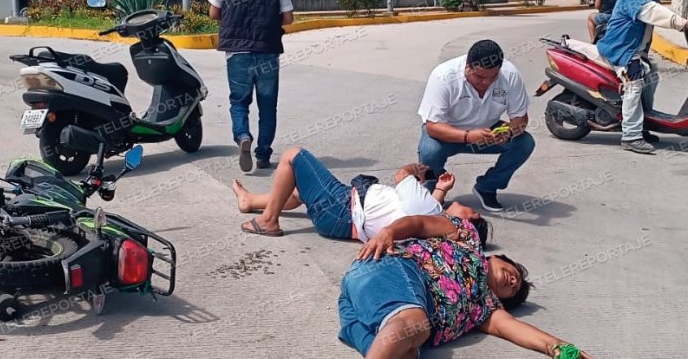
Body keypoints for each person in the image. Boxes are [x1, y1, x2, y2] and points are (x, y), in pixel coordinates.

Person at [338, 212, 595, 359]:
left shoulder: (485, 310)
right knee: (415, 324)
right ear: (495, 258)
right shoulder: (467, 238)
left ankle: (365, 329)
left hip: (359, 302)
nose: (513, 281)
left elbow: (516, 329)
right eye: (513, 272)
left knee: (408, 353)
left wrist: (558, 348)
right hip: (395, 269)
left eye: (513, 289)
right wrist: (389, 232)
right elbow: (420, 223)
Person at [231, 147, 483, 240]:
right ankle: (251, 201)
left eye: (472, 212)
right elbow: (426, 218)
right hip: (343, 218)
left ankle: (268, 221)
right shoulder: (434, 223)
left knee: (293, 157)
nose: (466, 206)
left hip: (343, 208)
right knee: (299, 189)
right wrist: (439, 189)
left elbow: (400, 175)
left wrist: (416, 169)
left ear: (468, 221)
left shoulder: (430, 212)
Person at [208, 0, 294, 172]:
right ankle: (263, 155)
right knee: (267, 106)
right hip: (267, 51)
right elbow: (288, 18)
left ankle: (243, 135)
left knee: (239, 101)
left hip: (237, 53)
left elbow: (213, 12)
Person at [417, 40, 535, 213]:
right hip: (447, 131)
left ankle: (487, 187)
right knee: (429, 151)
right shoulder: (443, 76)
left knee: (524, 143)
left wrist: (509, 133)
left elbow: (520, 118)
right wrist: (469, 136)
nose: (486, 82)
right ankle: (434, 188)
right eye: (479, 77)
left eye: (492, 77)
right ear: (468, 67)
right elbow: (433, 126)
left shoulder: (510, 75)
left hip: (488, 131)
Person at [597, 0, 688, 154]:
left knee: (652, 72)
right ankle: (630, 136)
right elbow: (652, 12)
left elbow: (660, 10)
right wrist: (681, 23)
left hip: (635, 50)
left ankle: (644, 121)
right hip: (621, 50)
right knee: (635, 83)